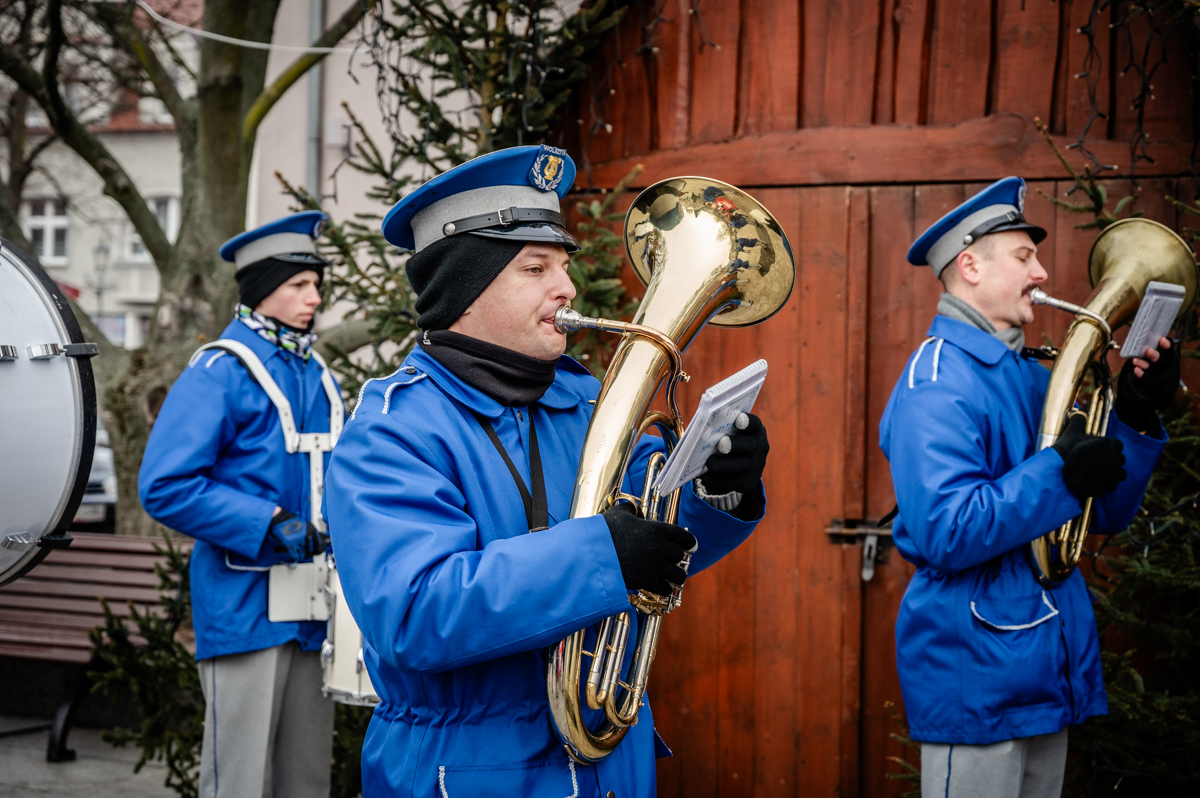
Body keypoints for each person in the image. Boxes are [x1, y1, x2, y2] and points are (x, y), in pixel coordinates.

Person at [323, 145, 770, 797]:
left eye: (563, 265)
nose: (567, 288)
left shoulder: (585, 402)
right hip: (466, 770)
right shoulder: (396, 427)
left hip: (609, 764)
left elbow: (656, 535)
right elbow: (413, 615)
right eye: (536, 268)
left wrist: (718, 490)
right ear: (465, 286)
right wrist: (602, 557)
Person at [879, 177, 1179, 798]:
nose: (1042, 273)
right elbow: (946, 531)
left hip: (1045, 660)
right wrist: (1060, 473)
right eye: (1024, 257)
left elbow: (1101, 514)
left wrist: (1137, 413)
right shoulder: (936, 382)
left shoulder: (1029, 375)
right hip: (979, 671)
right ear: (969, 265)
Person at [139, 211, 343, 798]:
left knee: (305, 779)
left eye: (316, 283)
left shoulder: (314, 370)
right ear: (261, 290)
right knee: (240, 782)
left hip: (312, 607)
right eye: (299, 285)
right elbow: (165, 485)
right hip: (244, 605)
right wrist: (268, 523)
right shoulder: (219, 371)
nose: (315, 297)